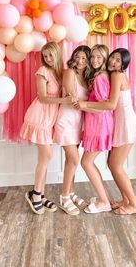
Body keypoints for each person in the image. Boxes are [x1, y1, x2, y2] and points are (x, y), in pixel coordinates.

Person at [76, 48, 136, 215]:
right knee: (113, 165)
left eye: (118, 60)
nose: (113, 62)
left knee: (116, 166)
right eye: (113, 58)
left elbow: (111, 105)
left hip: (126, 124)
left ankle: (134, 204)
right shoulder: (111, 75)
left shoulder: (116, 75)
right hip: (120, 124)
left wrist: (85, 104)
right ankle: (125, 200)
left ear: (123, 64)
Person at [20, 42, 72, 215]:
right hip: (40, 115)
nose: (48, 59)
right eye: (45, 56)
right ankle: (35, 194)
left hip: (51, 118)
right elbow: (42, 98)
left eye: (51, 55)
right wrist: (63, 101)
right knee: (46, 156)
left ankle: (40, 195)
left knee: (45, 157)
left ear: (57, 54)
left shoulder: (61, 72)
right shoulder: (42, 72)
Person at [53, 45, 91, 215]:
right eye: (77, 57)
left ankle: (71, 193)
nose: (80, 61)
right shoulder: (69, 73)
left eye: (84, 58)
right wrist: (91, 104)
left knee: (71, 161)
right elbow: (72, 98)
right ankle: (64, 197)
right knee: (75, 159)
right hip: (65, 121)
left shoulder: (87, 77)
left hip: (78, 123)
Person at [78, 44, 114, 214]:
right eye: (92, 57)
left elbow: (104, 106)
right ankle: (103, 197)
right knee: (88, 162)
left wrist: (82, 106)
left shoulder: (100, 77)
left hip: (99, 124)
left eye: (99, 57)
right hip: (99, 124)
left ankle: (104, 201)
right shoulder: (101, 75)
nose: (94, 60)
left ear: (105, 58)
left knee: (86, 162)